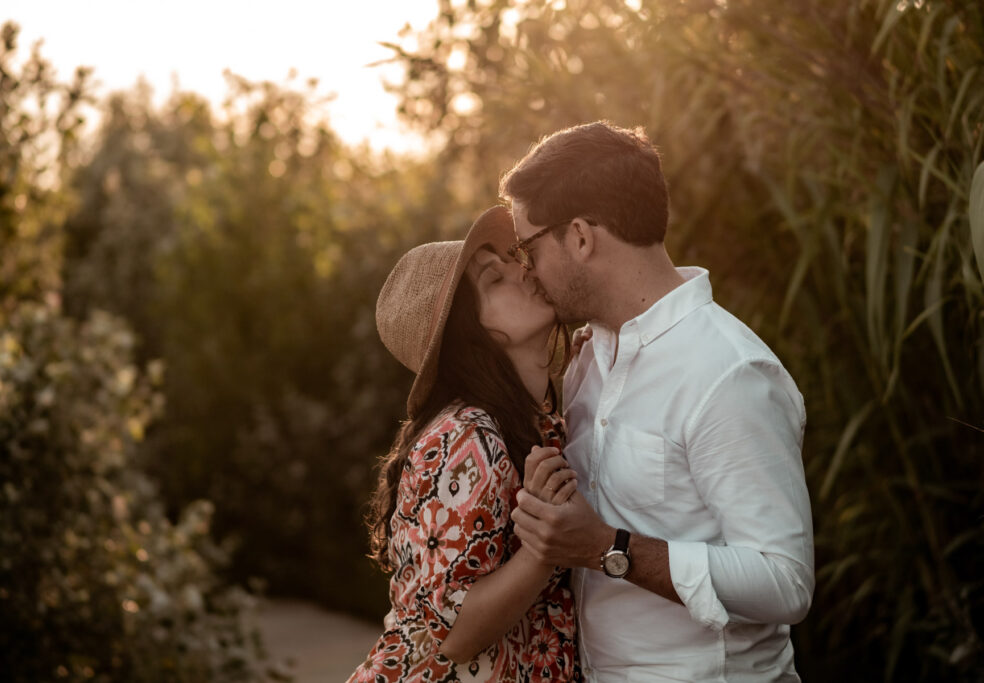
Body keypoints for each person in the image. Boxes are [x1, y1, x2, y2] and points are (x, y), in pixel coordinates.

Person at [505, 122, 815, 682]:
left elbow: (785, 582)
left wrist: (607, 548)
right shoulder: (588, 358)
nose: (527, 270)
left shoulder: (728, 374)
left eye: (528, 247)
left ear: (579, 236)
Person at [348, 206, 581, 682]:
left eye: (509, 259)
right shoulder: (466, 438)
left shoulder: (539, 425)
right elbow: (454, 633)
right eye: (495, 279)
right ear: (473, 335)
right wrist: (545, 547)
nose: (522, 267)